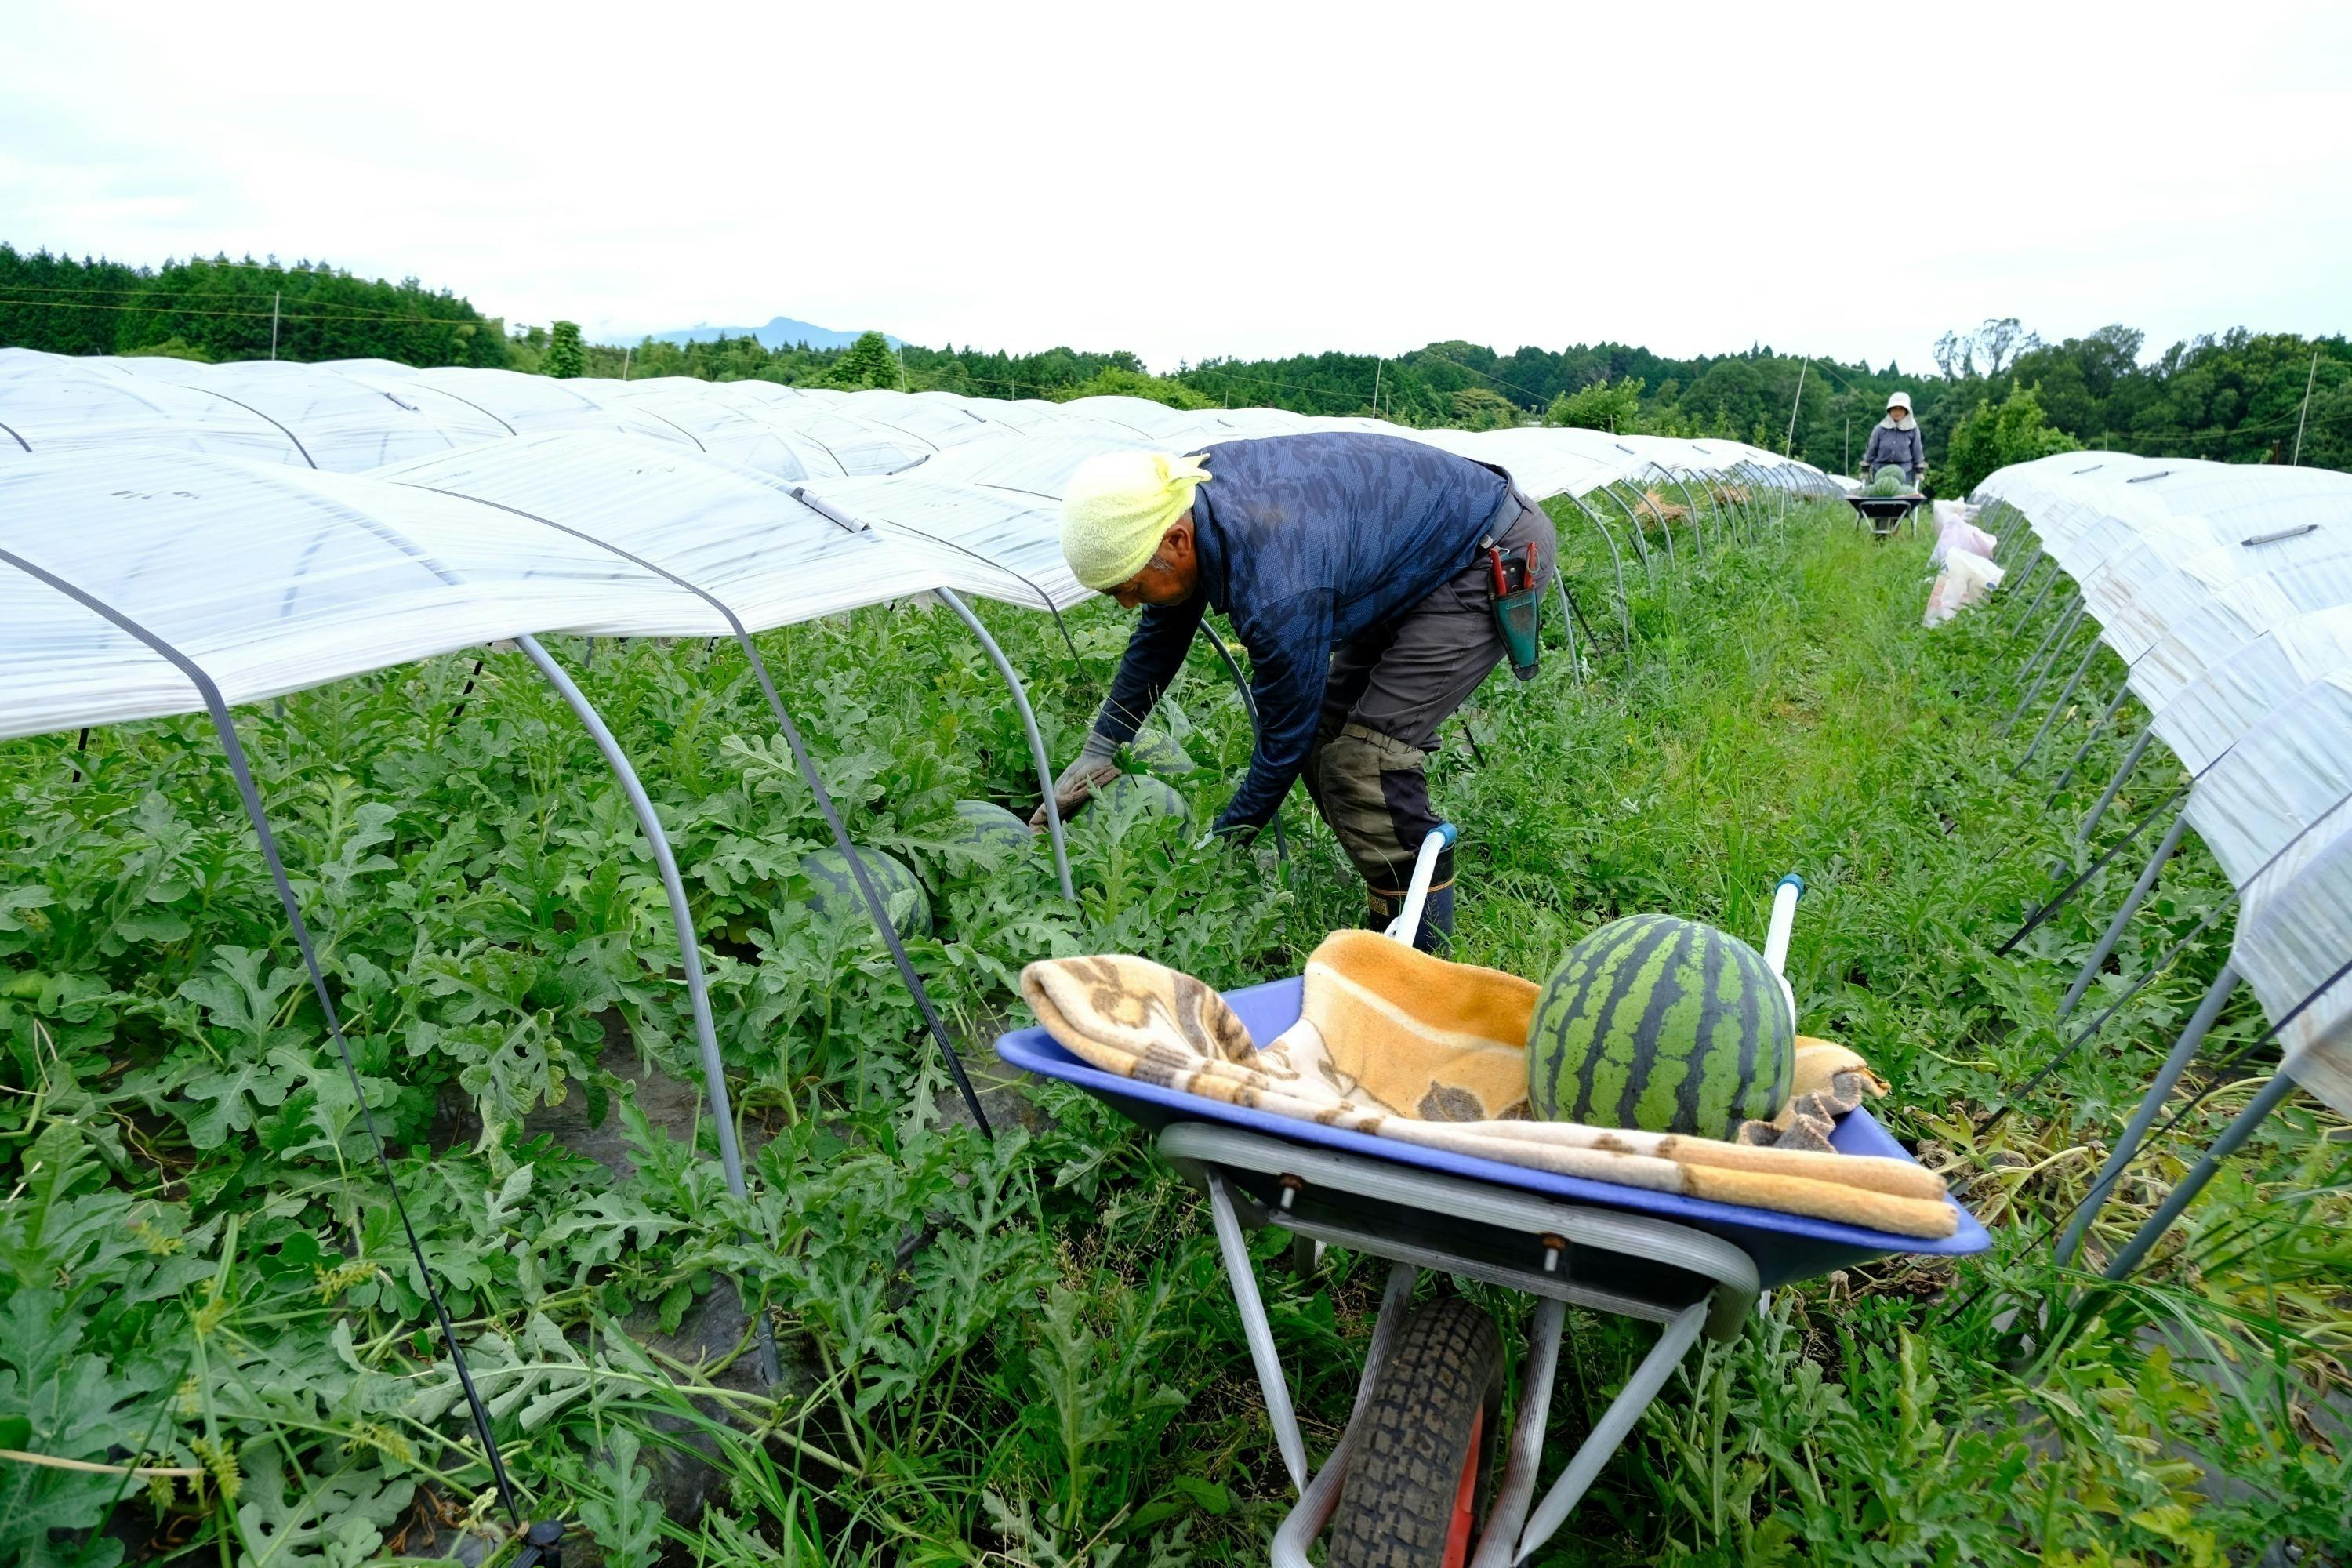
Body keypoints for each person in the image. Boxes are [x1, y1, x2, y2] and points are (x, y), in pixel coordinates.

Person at [1033, 432, 1557, 952]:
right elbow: (1160, 635)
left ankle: (1420, 946)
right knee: (1329, 733)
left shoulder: (1277, 585)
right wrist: (1099, 749)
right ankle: (1389, 889)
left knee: (1362, 760)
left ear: (1176, 542)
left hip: (1484, 554)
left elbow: (1285, 738)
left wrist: (1223, 846)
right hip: (1421, 548)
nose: (1128, 604)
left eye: (1129, 587)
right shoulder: (1187, 500)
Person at [1860, 391, 1926, 489]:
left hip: (1904, 470)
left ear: (1906, 411)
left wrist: (1919, 470)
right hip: (1881, 469)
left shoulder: (1913, 430)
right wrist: (1865, 467)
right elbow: (1872, 449)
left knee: (1900, 498)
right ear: (1890, 410)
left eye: (1901, 410)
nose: (1897, 412)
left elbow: (1917, 451)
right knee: (1881, 497)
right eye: (1894, 409)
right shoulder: (1880, 429)